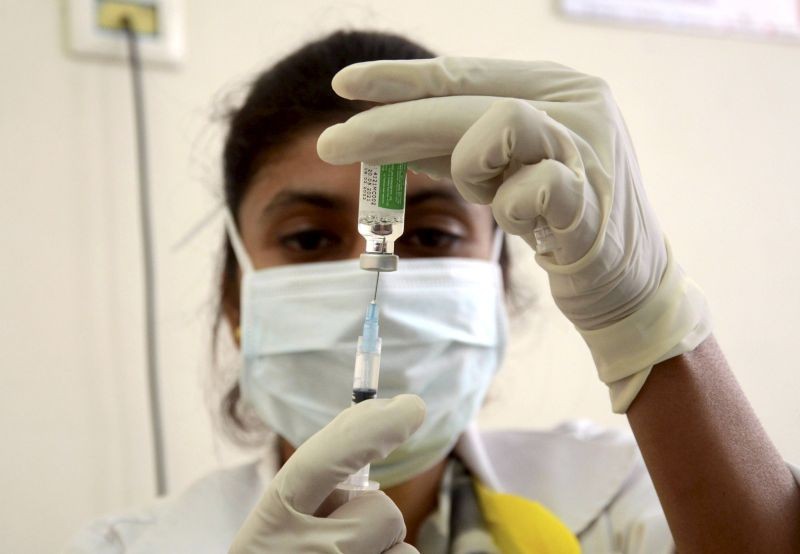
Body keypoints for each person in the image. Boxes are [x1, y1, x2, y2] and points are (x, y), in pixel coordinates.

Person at [66, 30, 800, 554]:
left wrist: (648, 321)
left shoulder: (622, 501)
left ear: (498, 280)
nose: (370, 273)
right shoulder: (124, 546)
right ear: (236, 301)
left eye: (434, 236)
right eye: (309, 240)